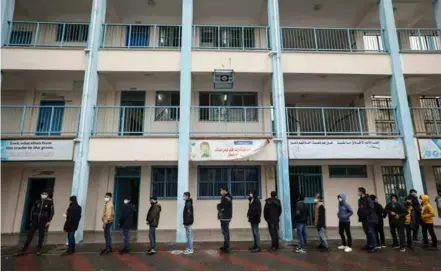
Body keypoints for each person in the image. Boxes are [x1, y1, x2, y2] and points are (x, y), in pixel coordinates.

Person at [17, 189, 55, 256]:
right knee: (30, 235)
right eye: (43, 194)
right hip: (35, 220)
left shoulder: (50, 202)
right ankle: (24, 249)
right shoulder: (37, 201)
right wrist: (31, 220)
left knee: (41, 235)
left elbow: (52, 212)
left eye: (45, 194)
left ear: (47, 195)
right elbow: (32, 210)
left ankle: (38, 249)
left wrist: (49, 220)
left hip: (43, 221)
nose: (44, 195)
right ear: (41, 195)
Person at [357, 187, 378, 253]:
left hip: (369, 218)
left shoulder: (368, 199)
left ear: (362, 192)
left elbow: (372, 208)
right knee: (367, 232)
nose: (358, 193)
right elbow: (360, 208)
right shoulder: (360, 200)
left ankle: (374, 246)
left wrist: (365, 213)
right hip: (363, 218)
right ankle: (368, 245)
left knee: (371, 232)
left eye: (359, 191)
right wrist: (359, 212)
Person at [217, 187, 233, 253]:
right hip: (225, 216)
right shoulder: (226, 197)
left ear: (224, 190)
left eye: (221, 190)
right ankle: (225, 246)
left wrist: (218, 206)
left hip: (225, 217)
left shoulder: (226, 197)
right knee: (225, 232)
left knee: (225, 232)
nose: (220, 191)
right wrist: (219, 206)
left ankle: (227, 247)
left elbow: (223, 206)